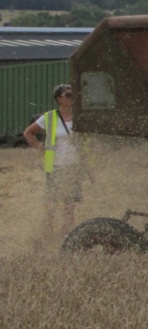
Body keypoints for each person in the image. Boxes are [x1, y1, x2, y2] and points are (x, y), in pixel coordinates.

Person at [22, 84, 91, 241]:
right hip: (55, 167)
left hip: (74, 167)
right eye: (68, 95)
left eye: (74, 95)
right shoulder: (50, 117)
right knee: (51, 206)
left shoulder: (81, 116)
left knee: (69, 207)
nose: (72, 98)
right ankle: (46, 236)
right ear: (59, 99)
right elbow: (28, 133)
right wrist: (41, 148)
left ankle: (64, 237)